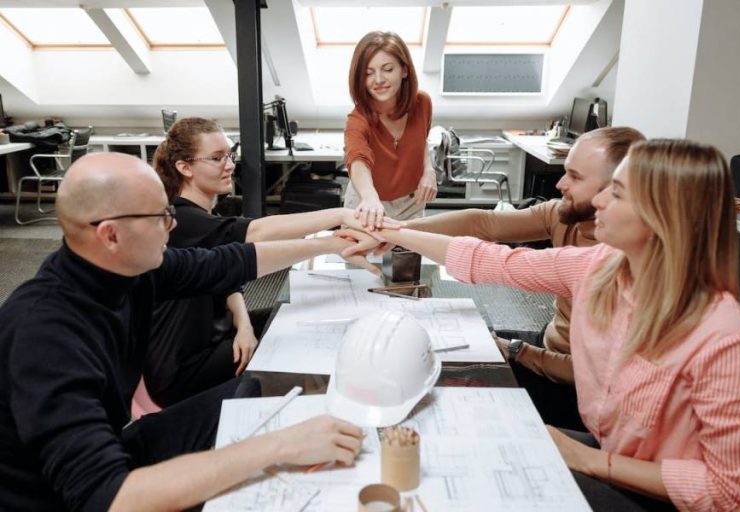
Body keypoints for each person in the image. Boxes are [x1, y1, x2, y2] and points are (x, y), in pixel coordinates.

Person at [342, 139, 740, 510]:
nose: (599, 200)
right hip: (617, 459)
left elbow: (732, 494)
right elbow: (494, 260)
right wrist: (394, 232)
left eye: (617, 193)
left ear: (662, 215)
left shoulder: (727, 340)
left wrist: (591, 461)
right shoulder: (603, 267)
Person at [0, 152, 379, 511]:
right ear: (110, 235)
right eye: (161, 216)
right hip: (60, 499)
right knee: (269, 439)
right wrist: (278, 446)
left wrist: (333, 243)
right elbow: (109, 498)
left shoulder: (123, 269)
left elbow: (227, 262)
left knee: (257, 390)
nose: (173, 224)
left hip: (116, 448)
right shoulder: (45, 335)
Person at [406, 126, 645, 429]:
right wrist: (396, 229)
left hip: (571, 383)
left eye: (575, 177)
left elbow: (596, 373)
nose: (560, 183)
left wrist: (518, 351)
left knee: (457, 399)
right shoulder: (564, 217)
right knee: (441, 351)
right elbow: (482, 223)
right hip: (547, 345)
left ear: (614, 190)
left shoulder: (621, 265)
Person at [148, 117, 394, 407]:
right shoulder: (181, 220)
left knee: (297, 318)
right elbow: (257, 233)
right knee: (300, 345)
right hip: (185, 366)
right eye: (216, 158)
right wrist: (340, 217)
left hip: (220, 335)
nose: (229, 165)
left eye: (229, 155)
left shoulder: (202, 217)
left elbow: (226, 278)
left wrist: (244, 325)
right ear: (184, 167)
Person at [344, 30, 437, 228]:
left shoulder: (423, 103)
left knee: (411, 250)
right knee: (358, 250)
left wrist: (429, 171)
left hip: (411, 203)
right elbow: (357, 159)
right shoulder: (357, 119)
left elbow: (422, 141)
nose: (378, 80)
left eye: (387, 69)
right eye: (368, 73)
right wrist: (369, 196)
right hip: (366, 203)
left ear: (404, 70)